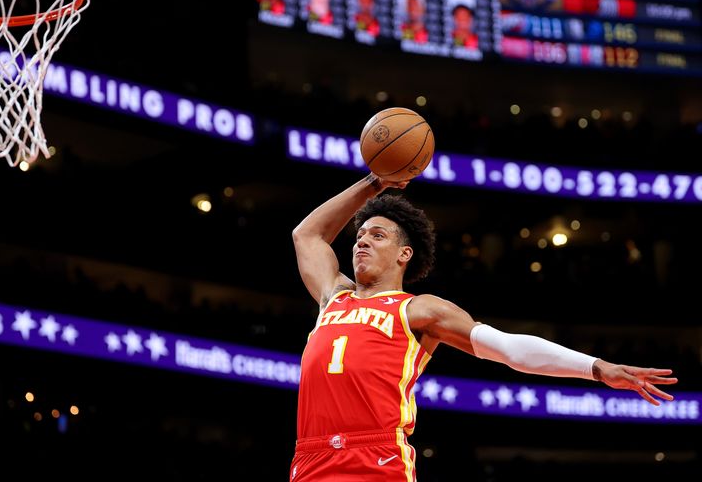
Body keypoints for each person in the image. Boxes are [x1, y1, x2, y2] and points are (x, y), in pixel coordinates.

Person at [289, 173, 677, 481]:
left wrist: (594, 367)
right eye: (359, 236)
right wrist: (374, 182)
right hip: (309, 455)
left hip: (374, 456)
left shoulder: (420, 310)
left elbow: (508, 348)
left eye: (378, 236)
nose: (361, 243)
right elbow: (306, 234)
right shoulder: (333, 297)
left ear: (404, 254)